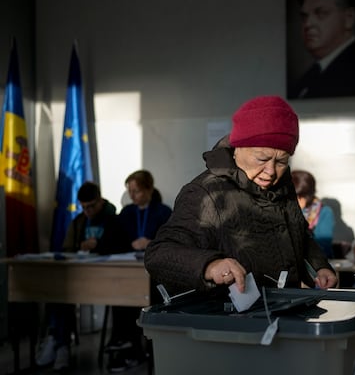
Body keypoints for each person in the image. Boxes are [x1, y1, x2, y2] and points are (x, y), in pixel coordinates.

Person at [144, 95, 337, 298]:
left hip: (285, 312)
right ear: (237, 148)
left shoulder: (282, 185)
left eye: (281, 161)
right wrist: (210, 265)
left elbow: (298, 235)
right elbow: (159, 254)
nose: (271, 171)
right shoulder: (206, 193)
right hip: (230, 323)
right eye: (261, 158)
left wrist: (319, 267)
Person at [36, 182, 129, 371]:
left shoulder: (114, 219)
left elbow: (121, 246)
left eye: (91, 206)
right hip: (81, 275)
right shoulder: (78, 221)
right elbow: (67, 248)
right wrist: (79, 249)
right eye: (84, 207)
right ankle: (59, 341)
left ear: (100, 200)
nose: (88, 211)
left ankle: (60, 342)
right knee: (59, 290)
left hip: (108, 277)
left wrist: (99, 244)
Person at [104, 170, 172, 373]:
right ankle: (126, 343)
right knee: (120, 290)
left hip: (154, 273)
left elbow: (172, 242)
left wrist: (150, 243)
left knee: (144, 298)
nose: (133, 196)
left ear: (149, 189)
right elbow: (114, 241)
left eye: (137, 191)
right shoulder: (126, 213)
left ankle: (141, 348)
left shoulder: (163, 212)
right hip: (130, 270)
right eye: (130, 191)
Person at [288, 0, 355, 99]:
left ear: (349, 18)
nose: (308, 24)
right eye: (304, 17)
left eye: (321, 13)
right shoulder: (314, 73)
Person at [291, 169, 335, 258]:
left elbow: (324, 245)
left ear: (309, 194)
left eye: (301, 196)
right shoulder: (281, 210)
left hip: (318, 265)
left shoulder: (324, 212)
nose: (297, 200)